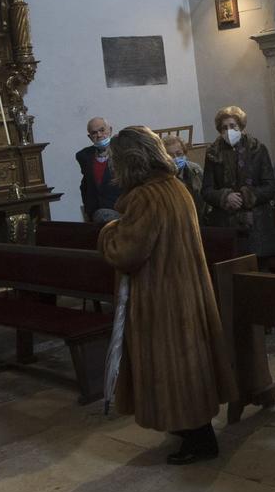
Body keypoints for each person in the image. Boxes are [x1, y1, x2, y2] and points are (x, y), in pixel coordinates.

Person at [99, 127, 239, 465]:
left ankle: (199, 440)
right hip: (184, 288)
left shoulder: (147, 196)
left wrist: (107, 233)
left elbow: (127, 252)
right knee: (189, 363)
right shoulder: (175, 186)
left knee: (174, 366)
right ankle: (192, 429)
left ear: (129, 161)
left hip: (162, 297)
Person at [201, 105, 275, 257]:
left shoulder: (257, 149)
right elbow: (207, 190)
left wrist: (247, 196)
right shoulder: (213, 153)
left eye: (232, 126)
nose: (228, 131)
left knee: (260, 272)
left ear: (241, 127)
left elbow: (270, 186)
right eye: (224, 128)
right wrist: (225, 196)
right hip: (226, 223)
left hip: (257, 224)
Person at [76, 117, 121, 224]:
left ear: (110, 130)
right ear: (90, 137)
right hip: (96, 212)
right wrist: (88, 209)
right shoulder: (84, 156)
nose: (99, 135)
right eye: (94, 133)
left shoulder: (122, 152)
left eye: (102, 130)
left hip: (120, 209)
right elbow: (85, 185)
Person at [162, 133, 204, 211]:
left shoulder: (195, 169)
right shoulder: (161, 177)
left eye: (179, 154)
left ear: (184, 153)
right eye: (170, 156)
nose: (175, 158)